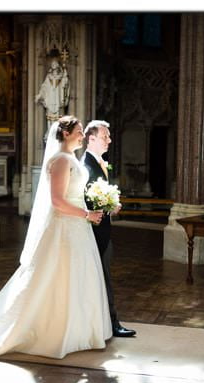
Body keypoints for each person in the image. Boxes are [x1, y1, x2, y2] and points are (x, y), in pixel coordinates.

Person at [0, 116, 111, 359]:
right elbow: (58, 202)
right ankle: (52, 331)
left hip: (78, 228)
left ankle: (79, 330)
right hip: (64, 230)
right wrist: (86, 214)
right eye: (79, 131)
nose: (82, 135)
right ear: (66, 134)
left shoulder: (70, 159)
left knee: (78, 277)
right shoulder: (60, 160)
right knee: (56, 278)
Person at [82, 120, 136, 338]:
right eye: (105, 136)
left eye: (109, 136)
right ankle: (112, 324)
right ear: (91, 139)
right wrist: (105, 205)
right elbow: (83, 198)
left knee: (102, 278)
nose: (110, 140)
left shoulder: (99, 162)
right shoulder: (85, 166)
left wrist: (111, 205)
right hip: (93, 232)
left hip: (101, 229)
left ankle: (102, 323)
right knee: (103, 278)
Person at [35, 55, 70, 124]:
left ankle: (57, 132)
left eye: (55, 64)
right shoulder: (49, 76)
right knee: (50, 118)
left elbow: (65, 85)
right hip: (50, 99)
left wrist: (65, 75)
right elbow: (44, 87)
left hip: (58, 100)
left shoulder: (61, 76)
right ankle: (49, 131)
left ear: (57, 66)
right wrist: (39, 95)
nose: (53, 65)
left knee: (58, 119)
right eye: (52, 64)